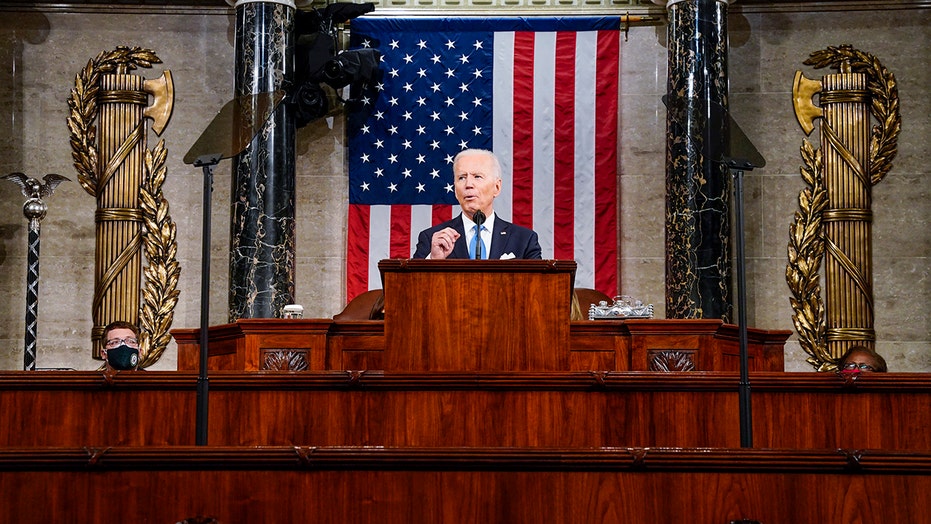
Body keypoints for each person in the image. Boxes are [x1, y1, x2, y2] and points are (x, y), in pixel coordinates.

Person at [413, 149, 542, 260]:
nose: (468, 184)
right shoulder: (432, 239)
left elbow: (538, 286)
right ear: (455, 191)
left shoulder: (524, 240)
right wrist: (433, 261)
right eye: (462, 177)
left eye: (477, 176)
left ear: (496, 187)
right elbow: (412, 286)